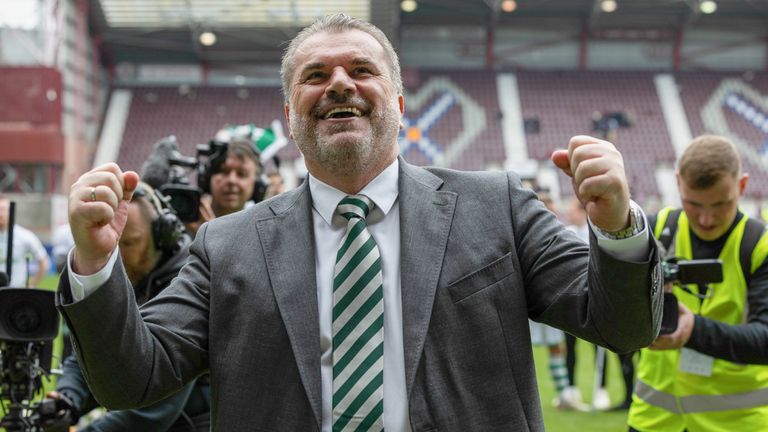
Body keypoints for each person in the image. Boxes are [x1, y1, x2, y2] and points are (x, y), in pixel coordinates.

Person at [57, 14, 661, 431]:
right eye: (315, 75)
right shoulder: (227, 244)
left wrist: (616, 228)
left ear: (398, 104)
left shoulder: (496, 205)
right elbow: (130, 378)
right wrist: (93, 265)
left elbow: (622, 326)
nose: (340, 83)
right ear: (290, 116)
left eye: (362, 70)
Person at [627, 135, 768, 431]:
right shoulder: (655, 229)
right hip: (654, 420)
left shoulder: (760, 246)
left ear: (742, 186)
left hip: (736, 422)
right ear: (678, 183)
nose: (705, 218)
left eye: (720, 204)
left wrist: (694, 330)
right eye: (693, 204)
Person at [49, 183, 210, 431]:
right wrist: (66, 399)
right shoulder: (132, 276)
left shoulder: (188, 284)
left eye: (129, 243)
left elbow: (152, 412)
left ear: (161, 237)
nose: (116, 255)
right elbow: (93, 348)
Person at [185, 137, 261, 235]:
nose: (231, 180)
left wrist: (210, 237)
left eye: (242, 174)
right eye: (223, 171)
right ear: (206, 177)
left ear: (258, 185)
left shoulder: (263, 232)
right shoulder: (186, 222)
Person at [0, 196, 50, 287]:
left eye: (3, 209)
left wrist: (31, 285)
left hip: (16, 293)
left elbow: (44, 262)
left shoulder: (25, 236)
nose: (1, 213)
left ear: (11, 212)